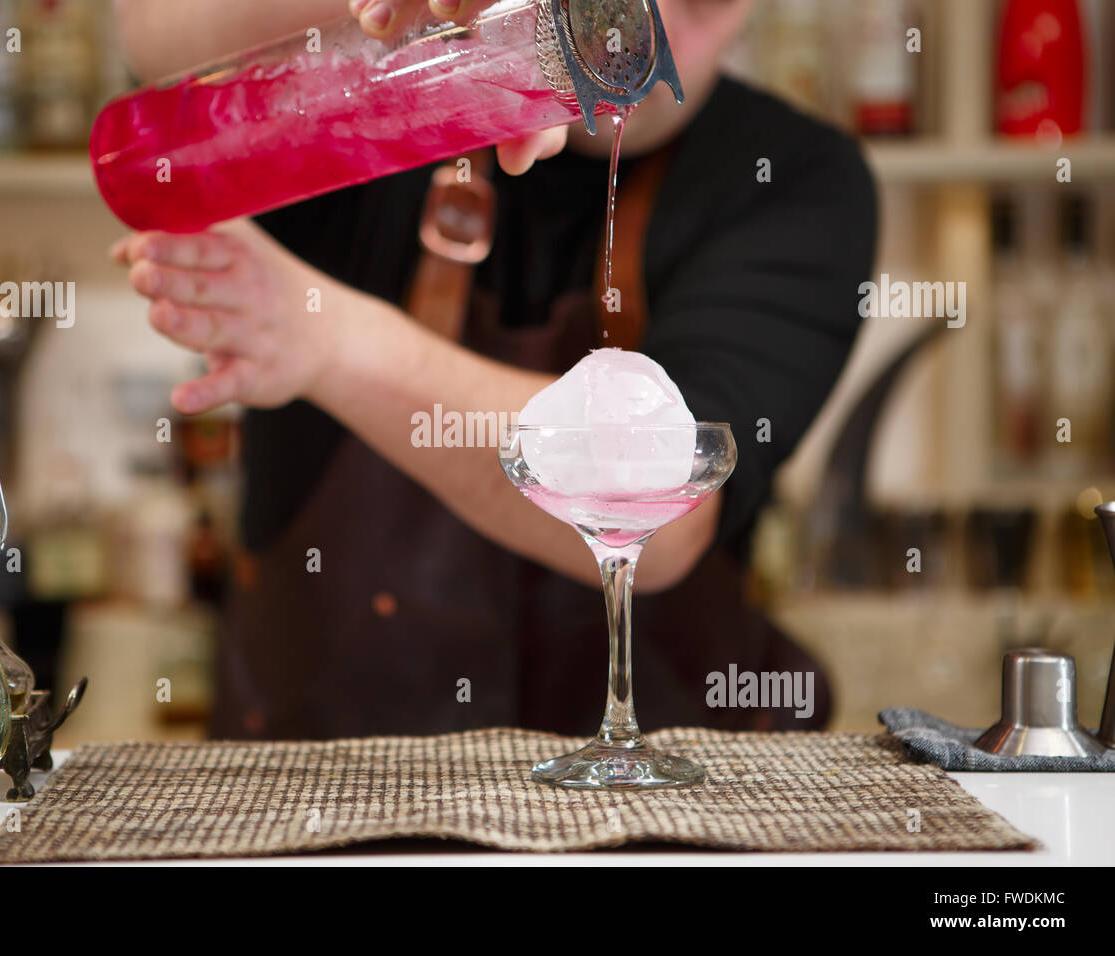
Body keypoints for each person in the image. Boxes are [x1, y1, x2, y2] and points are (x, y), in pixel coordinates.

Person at [110, 0, 877, 738]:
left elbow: (662, 503)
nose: (647, 22)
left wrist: (327, 344)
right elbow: (154, 33)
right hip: (327, 800)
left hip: (651, 818)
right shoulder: (399, 96)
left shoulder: (794, 176)